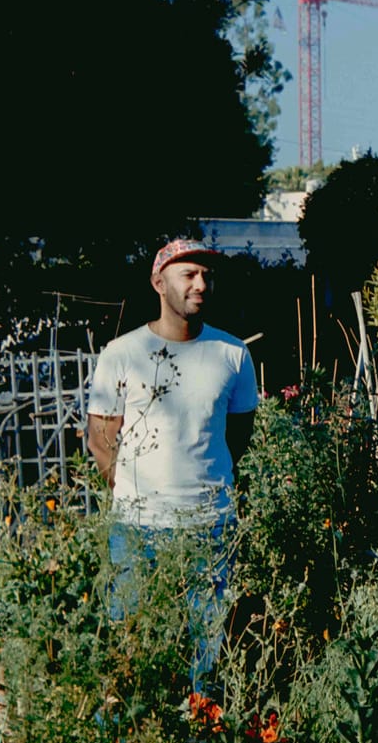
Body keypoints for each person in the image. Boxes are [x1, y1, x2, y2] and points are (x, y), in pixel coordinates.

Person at [86, 238, 258, 688]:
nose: (201, 284)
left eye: (207, 275)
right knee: (129, 653)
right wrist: (134, 492)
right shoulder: (122, 353)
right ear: (159, 283)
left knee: (206, 657)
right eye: (189, 275)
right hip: (137, 529)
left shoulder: (233, 355)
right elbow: (101, 440)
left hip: (211, 528)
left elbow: (237, 437)